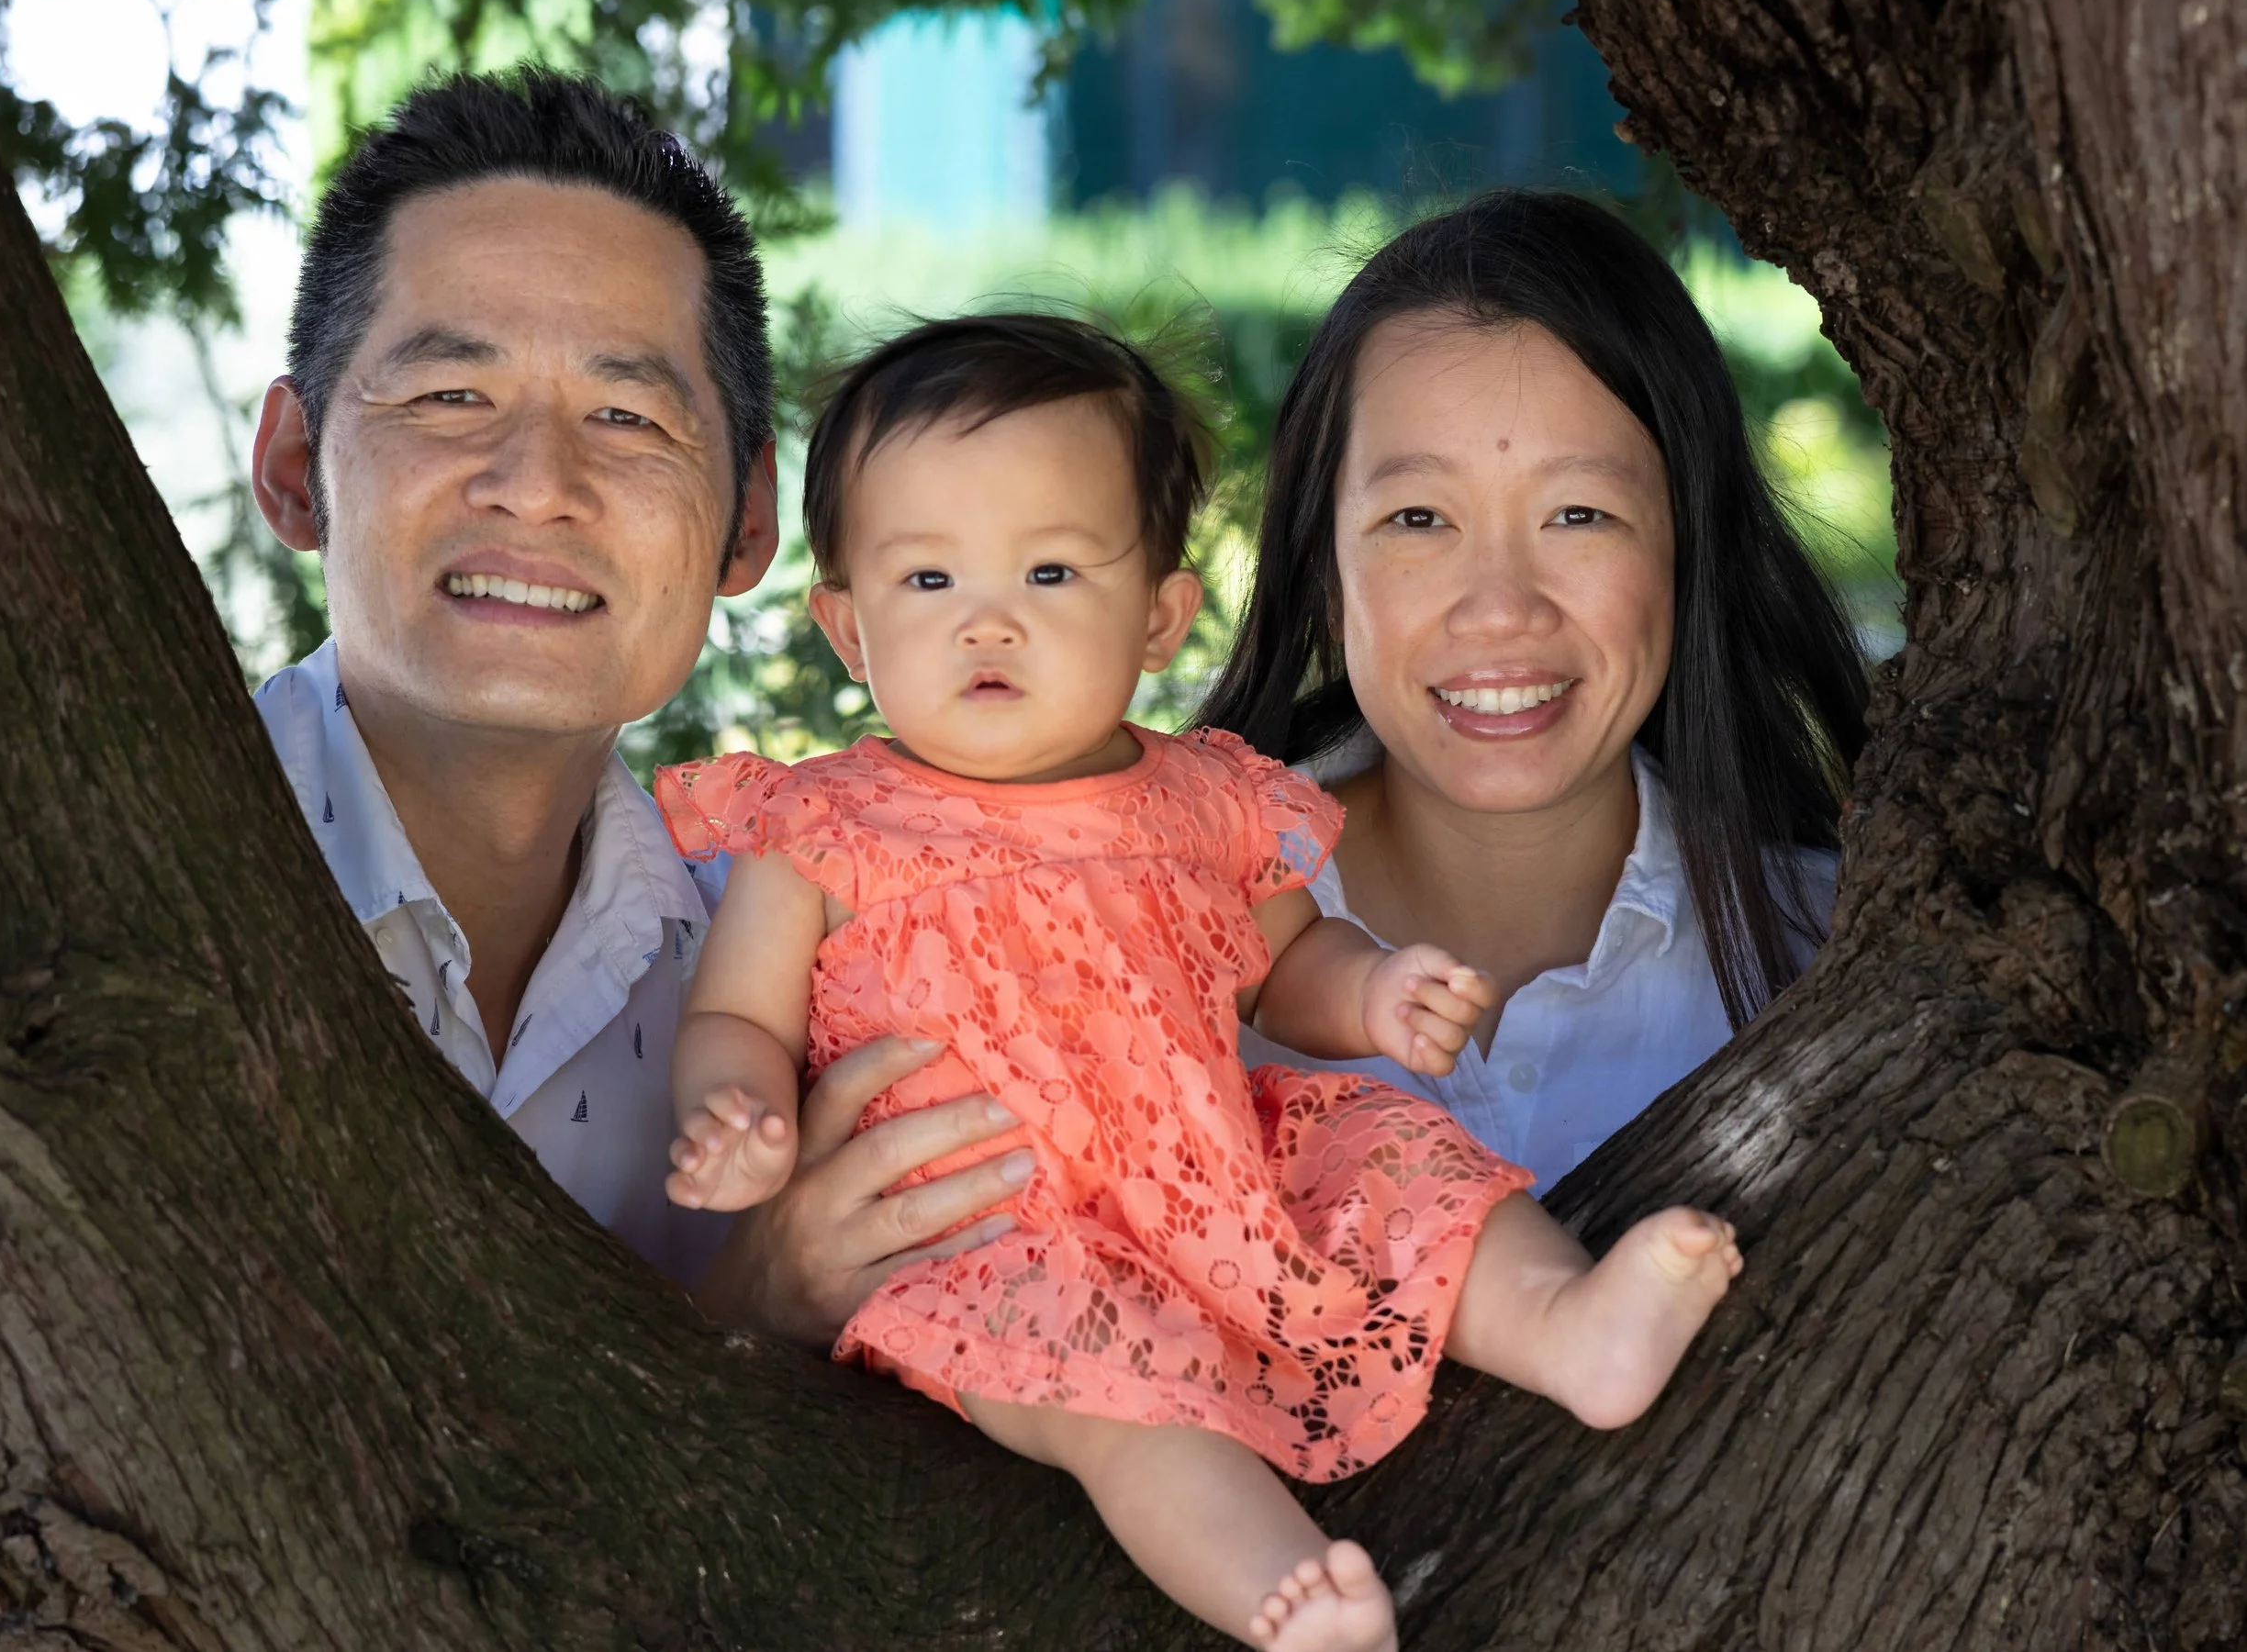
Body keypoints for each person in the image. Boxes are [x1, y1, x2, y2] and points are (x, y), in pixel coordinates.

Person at [654, 314, 1745, 1652]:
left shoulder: (1204, 799)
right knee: (1130, 1404)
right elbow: (735, 1018)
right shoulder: (821, 826)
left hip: (1225, 1165)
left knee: (1396, 1152)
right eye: (927, 580)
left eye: (1051, 570)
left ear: (1162, 613)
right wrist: (739, 1116)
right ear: (846, 624)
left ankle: (1570, 1325)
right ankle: (1282, 1592)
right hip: (997, 1236)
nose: (988, 619)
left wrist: (1378, 997)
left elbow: (1291, 963)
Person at [246, 67, 1027, 1298]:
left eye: (626, 416)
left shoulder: (786, 987)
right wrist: (743, 1312)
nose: (537, 481)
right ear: (296, 468)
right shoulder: (105, 892)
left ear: (748, 520)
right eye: (452, 394)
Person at [1199, 190, 1871, 1192]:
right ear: (1323, 572)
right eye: (1419, 518)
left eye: (1578, 514)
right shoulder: (1146, 933)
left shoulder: (1847, 955)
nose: (1501, 608)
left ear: (1689, 551)